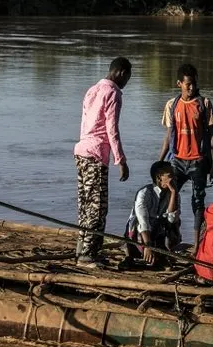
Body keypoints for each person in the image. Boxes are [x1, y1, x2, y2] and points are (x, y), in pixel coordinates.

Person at [73, 57, 132, 268]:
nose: (126, 82)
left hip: (82, 150)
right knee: (98, 207)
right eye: (128, 78)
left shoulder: (92, 90)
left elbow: (84, 122)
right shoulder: (112, 92)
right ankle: (88, 255)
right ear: (122, 73)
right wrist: (121, 160)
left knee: (85, 204)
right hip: (96, 153)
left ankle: (84, 248)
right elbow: (111, 129)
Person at [158, 63, 213, 251]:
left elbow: (211, 137)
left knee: (198, 201)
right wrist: (159, 163)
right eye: (188, 84)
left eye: (193, 84)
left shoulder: (204, 103)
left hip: (198, 161)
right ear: (179, 84)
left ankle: (196, 244)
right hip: (177, 159)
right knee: (169, 196)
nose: (191, 88)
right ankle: (169, 238)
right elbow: (169, 136)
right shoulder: (172, 105)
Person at [120, 161, 181, 269]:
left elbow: (172, 219)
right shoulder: (144, 193)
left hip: (158, 230)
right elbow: (143, 222)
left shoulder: (173, 194)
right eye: (170, 175)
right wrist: (147, 245)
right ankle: (134, 254)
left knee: (172, 229)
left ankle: (160, 255)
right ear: (159, 177)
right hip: (142, 232)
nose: (174, 178)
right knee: (139, 230)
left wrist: (173, 194)